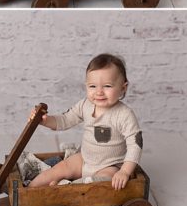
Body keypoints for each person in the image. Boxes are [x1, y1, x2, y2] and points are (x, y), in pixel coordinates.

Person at [27, 53, 142, 190]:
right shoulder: (85, 105)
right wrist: (45, 121)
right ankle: (28, 190)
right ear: (86, 86)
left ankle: (63, 188)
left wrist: (124, 171)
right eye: (92, 86)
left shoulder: (124, 114)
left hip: (110, 166)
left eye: (107, 86)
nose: (99, 92)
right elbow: (65, 120)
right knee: (61, 167)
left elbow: (135, 145)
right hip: (85, 160)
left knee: (101, 182)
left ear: (123, 88)